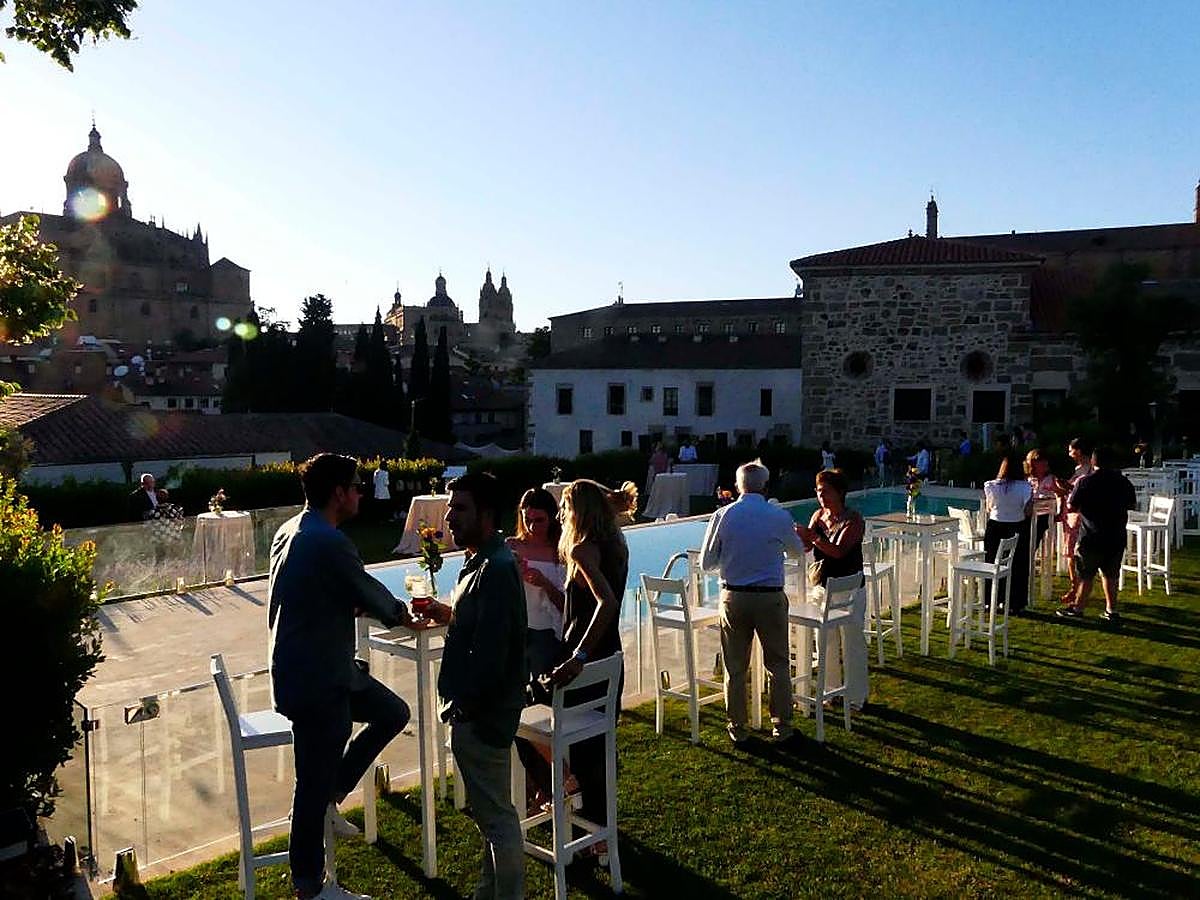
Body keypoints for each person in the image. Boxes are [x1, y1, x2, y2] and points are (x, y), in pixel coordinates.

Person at [268, 453, 413, 900]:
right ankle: (310, 887)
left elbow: (312, 591)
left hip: (312, 668)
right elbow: (367, 588)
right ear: (338, 493)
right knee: (309, 786)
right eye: (356, 485)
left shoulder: (290, 531)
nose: (361, 492)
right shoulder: (329, 542)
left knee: (391, 712)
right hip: (318, 678)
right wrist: (404, 614)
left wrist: (345, 604)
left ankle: (335, 792)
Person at [424, 472, 527, 900]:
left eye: (460, 508)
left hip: (482, 718)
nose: (449, 517)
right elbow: (480, 628)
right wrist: (448, 613)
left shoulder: (497, 568)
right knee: (492, 817)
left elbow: (493, 653)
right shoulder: (482, 561)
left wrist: (465, 709)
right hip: (479, 713)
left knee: (498, 821)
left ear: (486, 515)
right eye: (450, 508)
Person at [518, 478, 635, 853]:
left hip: (584, 660)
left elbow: (608, 603)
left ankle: (565, 793)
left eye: (565, 508)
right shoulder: (615, 544)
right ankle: (597, 832)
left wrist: (578, 656)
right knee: (594, 747)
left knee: (518, 719)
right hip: (610, 657)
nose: (562, 516)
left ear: (576, 511)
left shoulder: (584, 550)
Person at [700, 460, 805, 745]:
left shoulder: (723, 515)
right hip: (770, 596)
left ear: (738, 486)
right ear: (766, 486)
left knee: (735, 667)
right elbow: (798, 552)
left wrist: (733, 557)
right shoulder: (778, 516)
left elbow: (706, 563)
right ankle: (781, 726)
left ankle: (737, 727)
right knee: (779, 663)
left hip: (734, 596)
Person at [796, 468, 867, 709]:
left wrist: (814, 538)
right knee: (825, 640)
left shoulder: (853, 520)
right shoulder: (818, 516)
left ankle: (856, 696)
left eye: (826, 492)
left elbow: (838, 551)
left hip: (849, 589)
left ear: (840, 492)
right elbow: (806, 546)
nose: (822, 496)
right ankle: (831, 691)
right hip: (822, 587)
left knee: (852, 642)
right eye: (818, 492)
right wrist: (800, 536)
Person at [1057, 446, 1137, 623]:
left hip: (1092, 535)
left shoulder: (1086, 482)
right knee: (1111, 574)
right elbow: (1132, 504)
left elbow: (1072, 506)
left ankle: (1079, 608)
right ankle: (1111, 609)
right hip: (1116, 534)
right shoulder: (1123, 482)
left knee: (1086, 574)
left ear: (1093, 461)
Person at [506, 487, 566, 680]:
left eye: (539, 520)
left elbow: (568, 606)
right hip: (515, 631)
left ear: (552, 518)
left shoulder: (562, 552)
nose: (532, 527)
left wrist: (544, 583)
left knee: (544, 693)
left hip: (547, 633)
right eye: (527, 520)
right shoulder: (512, 547)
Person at [982, 453, 1034, 614]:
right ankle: (1014, 603)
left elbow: (989, 508)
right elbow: (1028, 511)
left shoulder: (991, 485)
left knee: (992, 564)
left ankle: (991, 600)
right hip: (1016, 526)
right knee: (1017, 566)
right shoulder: (1025, 487)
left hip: (995, 527)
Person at [1056, 438, 1094, 604]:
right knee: (1072, 552)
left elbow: (1081, 491)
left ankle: (1076, 588)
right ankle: (1076, 587)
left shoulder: (1086, 471)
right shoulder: (1081, 469)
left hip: (1077, 514)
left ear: (1078, 451)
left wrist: (1064, 487)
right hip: (1073, 513)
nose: (1069, 454)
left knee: (1072, 552)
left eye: (1071, 450)